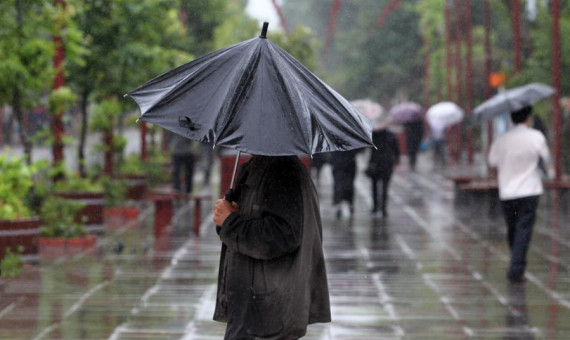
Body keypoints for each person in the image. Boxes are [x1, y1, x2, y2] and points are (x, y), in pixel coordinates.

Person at [212, 155, 331, 339]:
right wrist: (230, 215)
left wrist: (231, 221)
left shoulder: (282, 170)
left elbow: (283, 235)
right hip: (251, 303)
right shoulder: (258, 165)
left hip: (267, 308)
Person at [488, 106, 551, 283]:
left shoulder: (502, 140)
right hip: (529, 191)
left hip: (508, 192)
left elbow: (492, 161)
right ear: (527, 118)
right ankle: (516, 267)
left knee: (513, 227)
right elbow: (546, 157)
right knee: (524, 228)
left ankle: (516, 265)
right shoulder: (536, 137)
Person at [366, 127, 400, 217]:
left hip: (376, 163)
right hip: (386, 164)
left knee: (375, 187)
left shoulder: (373, 135)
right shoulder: (391, 135)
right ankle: (383, 209)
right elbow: (396, 150)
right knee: (384, 187)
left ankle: (375, 207)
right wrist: (397, 159)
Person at [329, 149, 359, 219]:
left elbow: (331, 155)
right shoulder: (351, 141)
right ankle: (348, 204)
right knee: (348, 185)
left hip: (339, 165)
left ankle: (340, 205)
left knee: (339, 186)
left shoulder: (334, 141)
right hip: (348, 164)